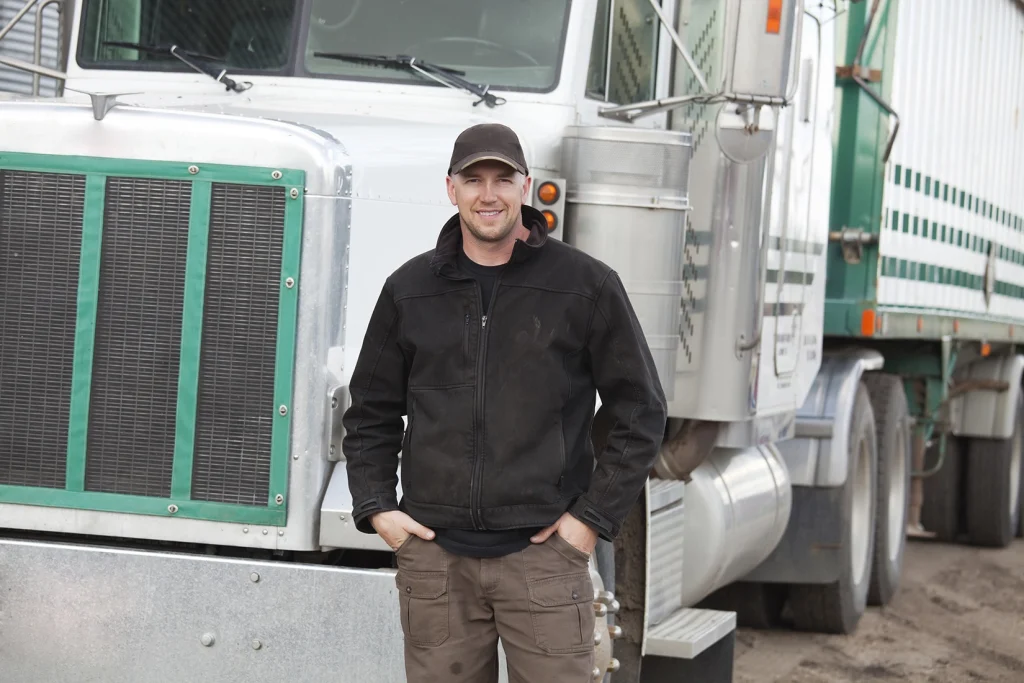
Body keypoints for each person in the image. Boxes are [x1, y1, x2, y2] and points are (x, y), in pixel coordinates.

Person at [342, 122, 667, 682]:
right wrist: (377, 507)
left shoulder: (584, 285)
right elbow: (370, 409)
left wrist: (588, 522)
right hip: (436, 561)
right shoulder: (410, 289)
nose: (487, 194)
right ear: (451, 189)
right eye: (473, 180)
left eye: (502, 179)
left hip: (544, 559)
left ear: (526, 186)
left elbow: (640, 411)